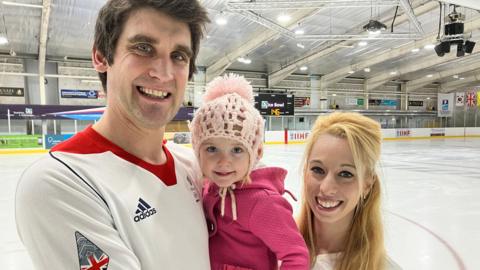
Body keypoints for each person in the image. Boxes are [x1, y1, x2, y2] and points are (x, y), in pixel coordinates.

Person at [15, 0, 210, 269]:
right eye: (143, 48)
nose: (163, 73)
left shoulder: (194, 167)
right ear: (101, 57)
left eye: (178, 56)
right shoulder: (59, 183)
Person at [190, 73, 309, 270]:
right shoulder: (207, 186)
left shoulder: (262, 202)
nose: (223, 162)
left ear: (256, 153)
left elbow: (296, 256)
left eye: (237, 150)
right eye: (212, 149)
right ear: (197, 150)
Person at [297, 112, 402, 270]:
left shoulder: (382, 267)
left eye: (346, 174)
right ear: (305, 172)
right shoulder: (269, 250)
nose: (326, 188)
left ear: (367, 184)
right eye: (317, 169)